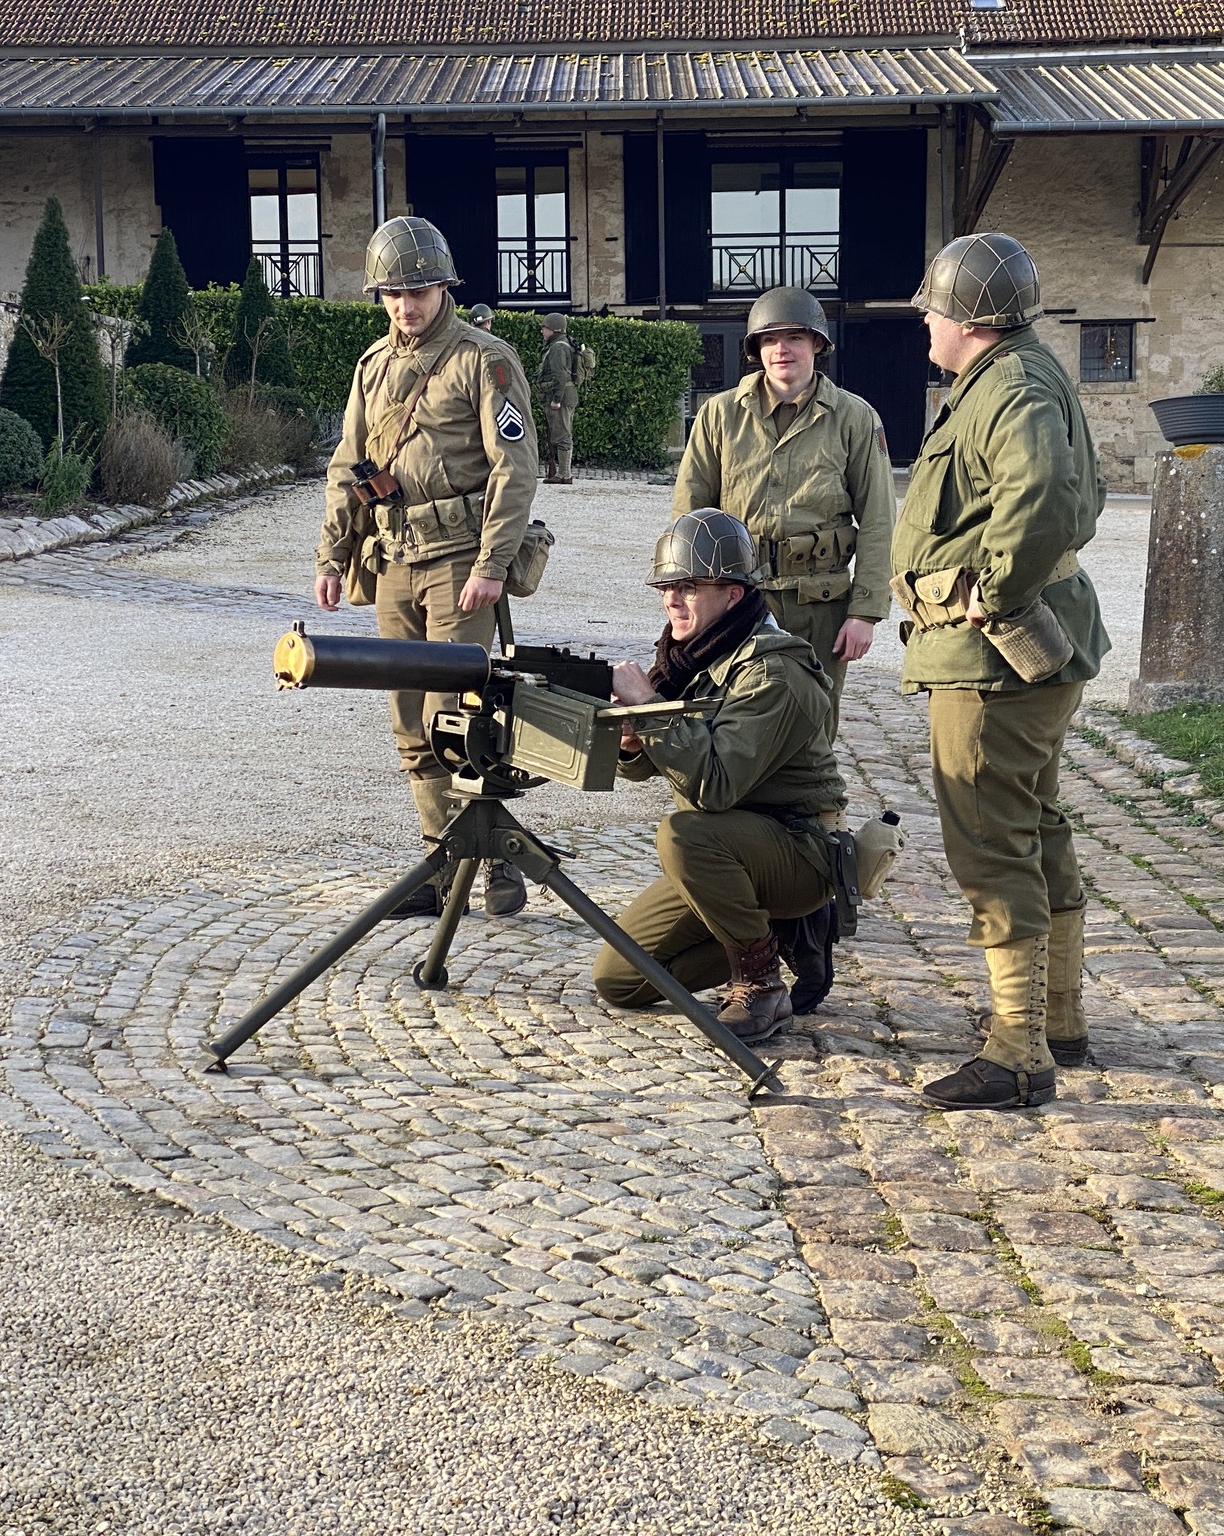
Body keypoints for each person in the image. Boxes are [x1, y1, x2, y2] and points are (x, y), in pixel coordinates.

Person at [895, 232, 1111, 1110]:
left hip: (992, 659)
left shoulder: (1010, 384)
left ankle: (1019, 1049)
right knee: (1035, 821)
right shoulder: (1011, 373)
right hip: (1015, 649)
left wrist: (997, 590)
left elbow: (1049, 499)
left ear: (968, 321)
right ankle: (1056, 1018)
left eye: (934, 312)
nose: (927, 325)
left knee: (990, 837)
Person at [314, 216, 540, 919]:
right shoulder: (372, 367)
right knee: (411, 723)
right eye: (393, 294)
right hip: (393, 564)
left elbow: (515, 467)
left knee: (462, 717)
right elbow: (349, 468)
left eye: (419, 290)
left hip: (459, 566)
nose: (406, 306)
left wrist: (493, 563)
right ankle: (442, 865)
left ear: (444, 287)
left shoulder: (485, 359)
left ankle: (496, 864)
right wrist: (333, 555)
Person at [594, 508, 846, 1043]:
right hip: (729, 850)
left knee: (683, 834)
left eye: (688, 586)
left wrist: (649, 709)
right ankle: (777, 932)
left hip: (797, 850)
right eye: (666, 586)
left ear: (733, 594)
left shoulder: (774, 671)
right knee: (618, 981)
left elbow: (714, 785)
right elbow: (650, 766)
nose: (671, 599)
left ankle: (760, 985)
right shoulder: (694, 658)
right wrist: (633, 739)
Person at [671, 285, 894, 727]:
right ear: (756, 349)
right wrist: (691, 599)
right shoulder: (720, 415)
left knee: (811, 726)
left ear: (816, 344)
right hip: (737, 600)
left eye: (794, 337)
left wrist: (864, 612)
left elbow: (878, 519)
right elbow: (690, 517)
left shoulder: (855, 418)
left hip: (820, 603)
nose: (781, 350)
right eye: (769, 340)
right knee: (729, 719)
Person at [536, 312, 578, 485]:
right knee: (562, 433)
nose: (542, 331)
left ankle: (564, 474)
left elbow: (559, 376)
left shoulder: (558, 347)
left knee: (562, 435)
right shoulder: (562, 344)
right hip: (567, 395)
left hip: (561, 397)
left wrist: (556, 399)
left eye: (545, 328)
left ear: (554, 329)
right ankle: (562, 473)